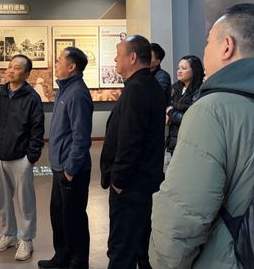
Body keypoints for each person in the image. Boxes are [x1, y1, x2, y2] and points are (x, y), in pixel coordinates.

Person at [150, 3, 254, 269]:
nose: (205, 51)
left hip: (229, 258)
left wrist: (163, 263)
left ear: (227, 46)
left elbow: (183, 216)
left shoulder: (212, 109)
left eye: (208, 42)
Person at [100, 35, 166, 269]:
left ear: (133, 57)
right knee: (138, 246)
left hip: (130, 186)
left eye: (119, 54)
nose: (115, 59)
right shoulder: (147, 85)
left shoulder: (137, 89)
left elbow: (130, 139)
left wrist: (118, 180)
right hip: (141, 183)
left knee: (121, 249)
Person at [0, 54, 44, 261]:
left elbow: (37, 129)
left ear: (26, 74)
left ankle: (26, 239)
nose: (11, 70)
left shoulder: (31, 98)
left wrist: (31, 157)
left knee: (25, 201)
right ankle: (9, 234)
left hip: (20, 158)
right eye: (10, 66)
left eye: (17, 68)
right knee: (2, 200)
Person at [38, 47, 94, 269]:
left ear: (72, 66)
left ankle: (77, 263)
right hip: (60, 166)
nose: (56, 62)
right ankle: (61, 257)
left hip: (72, 170)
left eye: (60, 59)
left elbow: (81, 137)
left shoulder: (77, 94)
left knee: (74, 219)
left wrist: (70, 169)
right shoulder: (65, 89)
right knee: (59, 215)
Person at [165, 55, 204, 155]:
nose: (179, 71)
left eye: (184, 68)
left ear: (194, 70)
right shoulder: (175, 88)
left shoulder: (200, 91)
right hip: (173, 140)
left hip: (190, 142)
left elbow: (189, 119)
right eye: (178, 68)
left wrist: (170, 112)